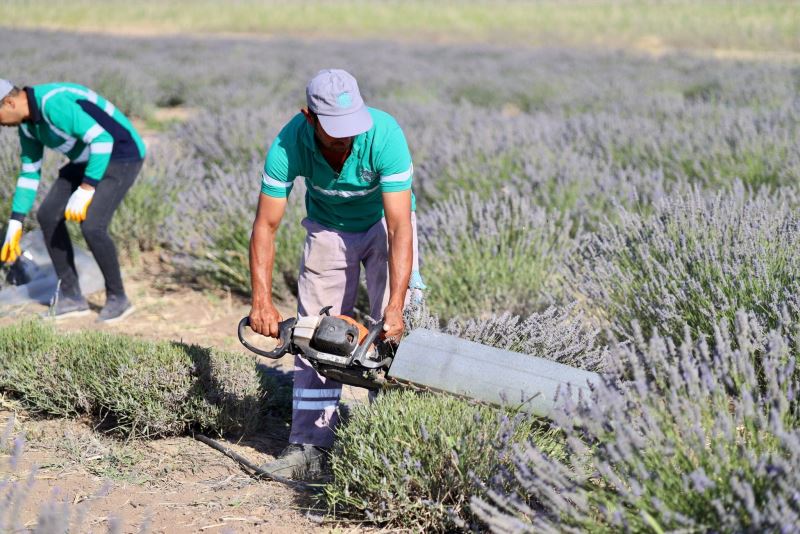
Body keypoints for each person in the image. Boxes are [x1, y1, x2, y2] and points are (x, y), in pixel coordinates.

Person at [248, 69, 425, 478]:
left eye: (351, 128)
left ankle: (395, 443)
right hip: (328, 226)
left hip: (385, 226)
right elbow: (265, 226)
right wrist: (261, 299)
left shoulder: (385, 135)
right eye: (334, 131)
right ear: (309, 118)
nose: (345, 139)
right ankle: (310, 447)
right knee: (314, 334)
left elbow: (400, 227)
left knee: (399, 331)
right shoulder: (288, 143)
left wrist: (396, 306)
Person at [0, 79, 145, 322]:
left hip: (122, 154)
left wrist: (87, 188)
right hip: (87, 159)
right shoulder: (28, 125)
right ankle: (71, 297)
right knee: (47, 215)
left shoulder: (53, 103)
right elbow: (29, 172)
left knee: (92, 224)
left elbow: (102, 140)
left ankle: (119, 298)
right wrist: (16, 221)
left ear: (9, 102)